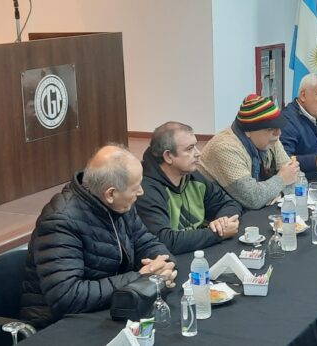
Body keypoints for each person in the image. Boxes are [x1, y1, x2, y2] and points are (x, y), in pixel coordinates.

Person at [20, 145, 177, 328]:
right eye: (136, 187)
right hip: (58, 325)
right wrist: (138, 277)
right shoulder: (60, 221)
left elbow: (146, 240)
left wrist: (162, 265)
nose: (141, 192)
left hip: (110, 307)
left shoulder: (121, 204)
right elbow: (67, 296)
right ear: (110, 193)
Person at [136, 122, 243, 255]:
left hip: (198, 252)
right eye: (189, 149)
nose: (198, 153)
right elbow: (164, 241)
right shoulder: (146, 190)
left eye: (196, 146)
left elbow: (229, 203)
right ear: (168, 156)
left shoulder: (192, 176)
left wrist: (222, 222)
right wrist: (216, 233)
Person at [199, 94, 300, 210]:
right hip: (219, 219)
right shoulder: (225, 148)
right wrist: (281, 179)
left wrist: (279, 192)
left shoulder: (271, 140)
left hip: (247, 213)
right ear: (248, 131)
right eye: (270, 128)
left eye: (279, 127)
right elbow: (253, 198)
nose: (278, 133)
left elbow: (296, 179)